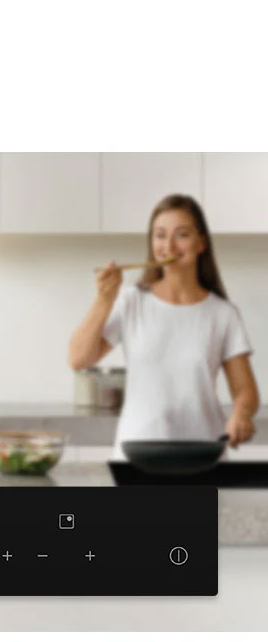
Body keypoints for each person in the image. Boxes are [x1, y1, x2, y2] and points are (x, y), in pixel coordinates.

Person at [68, 193, 260, 461]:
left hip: (203, 455)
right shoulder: (131, 301)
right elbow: (79, 359)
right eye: (160, 235)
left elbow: (245, 390)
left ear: (201, 243)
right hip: (136, 454)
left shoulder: (223, 313)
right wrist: (103, 299)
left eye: (182, 235)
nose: (168, 246)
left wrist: (241, 413)